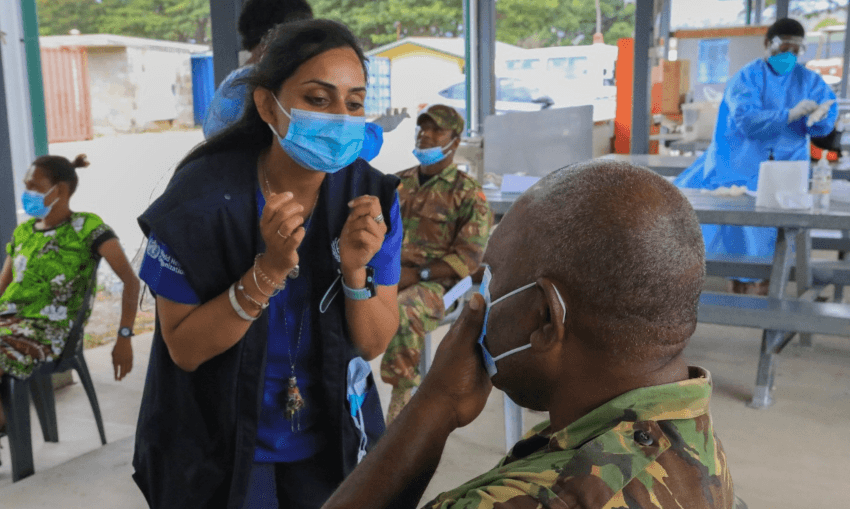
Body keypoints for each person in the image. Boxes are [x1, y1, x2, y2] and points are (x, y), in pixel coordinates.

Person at [322, 160, 739, 509]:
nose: (480, 300)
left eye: (488, 284)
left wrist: (434, 406)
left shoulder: (531, 498)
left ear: (543, 316)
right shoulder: (698, 445)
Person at [133, 19, 402, 509]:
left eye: (355, 102)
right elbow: (185, 349)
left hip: (327, 432)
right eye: (319, 100)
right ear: (267, 106)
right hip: (220, 437)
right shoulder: (199, 203)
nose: (341, 118)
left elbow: (373, 342)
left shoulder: (370, 199)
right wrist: (267, 273)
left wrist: (355, 272)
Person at [675, 17, 837, 295]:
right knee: (739, 234)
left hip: (787, 169)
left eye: (795, 51)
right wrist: (788, 115)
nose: (789, 56)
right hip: (740, 166)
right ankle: (737, 290)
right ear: (767, 44)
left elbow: (826, 116)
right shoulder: (747, 77)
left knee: (778, 236)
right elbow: (746, 120)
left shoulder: (808, 80)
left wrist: (819, 118)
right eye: (783, 48)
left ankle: (768, 293)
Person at [0, 154, 140, 428]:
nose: (27, 194)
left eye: (33, 187)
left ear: (60, 190)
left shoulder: (88, 229)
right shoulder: (23, 233)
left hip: (51, 330)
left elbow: (130, 281)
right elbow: (3, 284)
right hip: (7, 324)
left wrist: (124, 337)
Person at [380, 104, 491, 422]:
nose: (425, 135)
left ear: (454, 142)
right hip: (392, 271)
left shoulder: (467, 192)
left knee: (403, 308)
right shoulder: (397, 183)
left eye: (435, 130)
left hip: (441, 281)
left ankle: (401, 402)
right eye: (421, 129)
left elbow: (469, 258)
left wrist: (418, 274)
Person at [202, 0, 404, 162]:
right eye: (317, 98)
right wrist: (375, 131)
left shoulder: (232, 84)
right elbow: (327, 150)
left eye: (354, 103)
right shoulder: (260, 87)